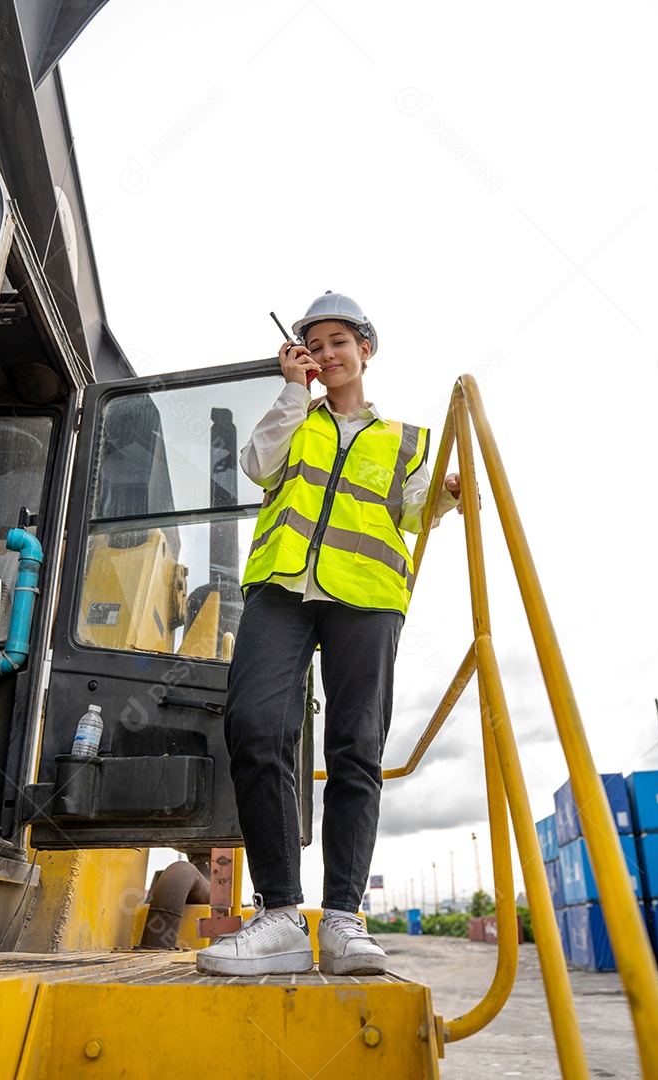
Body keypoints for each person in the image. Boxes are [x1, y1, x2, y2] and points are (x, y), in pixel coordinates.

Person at [196, 291, 466, 977]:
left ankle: (344, 918)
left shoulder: (403, 439)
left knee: (357, 748)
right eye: (313, 345)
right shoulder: (295, 418)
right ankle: (282, 914)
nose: (326, 353)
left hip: (367, 598)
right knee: (255, 727)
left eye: (339, 341)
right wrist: (292, 392)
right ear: (302, 358)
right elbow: (258, 466)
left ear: (365, 350)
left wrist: (448, 494)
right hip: (283, 591)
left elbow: (411, 511)